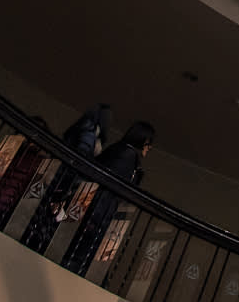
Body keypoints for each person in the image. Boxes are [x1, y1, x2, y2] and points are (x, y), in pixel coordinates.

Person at [60, 120, 154, 273]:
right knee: (75, 260)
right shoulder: (127, 155)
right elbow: (111, 189)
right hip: (95, 217)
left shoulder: (122, 152)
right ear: (142, 139)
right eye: (149, 143)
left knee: (74, 257)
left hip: (93, 214)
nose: (149, 147)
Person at [20, 104, 110, 252]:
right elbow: (80, 160)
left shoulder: (80, 130)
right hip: (62, 186)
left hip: (56, 184)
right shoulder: (90, 133)